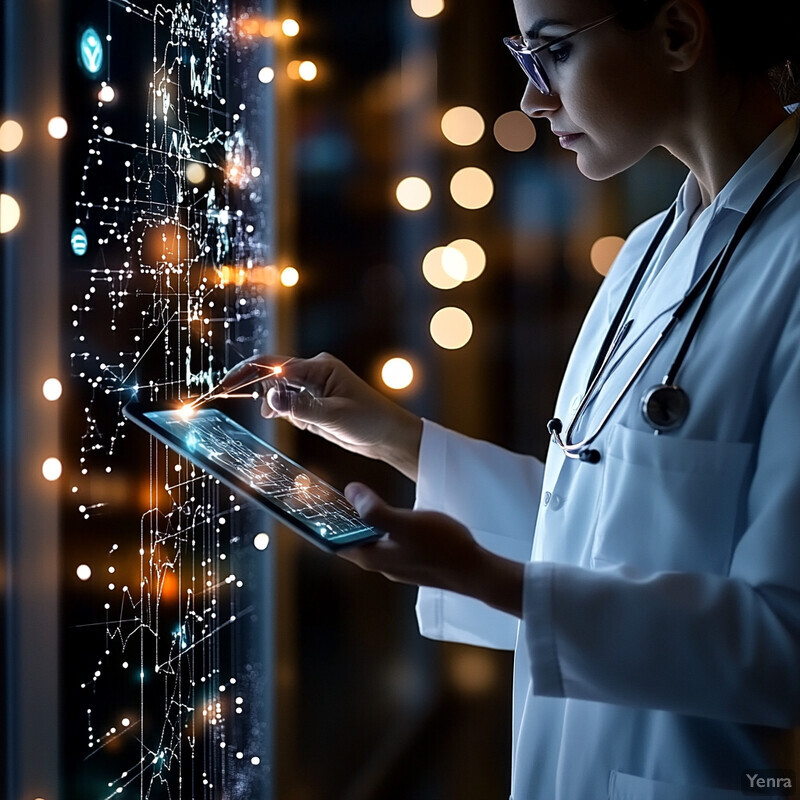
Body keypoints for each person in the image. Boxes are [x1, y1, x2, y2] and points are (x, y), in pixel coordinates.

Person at [224, 0, 800, 797]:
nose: (531, 96)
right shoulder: (646, 252)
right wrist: (396, 438)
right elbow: (596, 521)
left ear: (677, 35)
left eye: (553, 53)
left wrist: (489, 579)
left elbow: (783, 644)